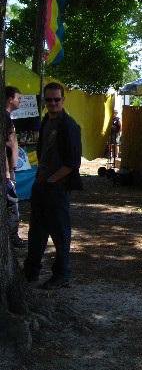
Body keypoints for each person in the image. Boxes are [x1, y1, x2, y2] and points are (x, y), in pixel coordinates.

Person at [23, 82, 82, 289]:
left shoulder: (70, 126)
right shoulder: (46, 120)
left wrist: (52, 180)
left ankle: (61, 275)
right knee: (36, 231)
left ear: (63, 100)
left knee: (60, 232)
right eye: (49, 100)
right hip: (41, 184)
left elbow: (73, 163)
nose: (53, 103)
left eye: (57, 99)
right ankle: (30, 272)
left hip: (56, 187)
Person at [5, 86, 27, 248]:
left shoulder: (8, 118)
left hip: (10, 170)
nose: (20, 100)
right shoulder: (5, 118)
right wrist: (7, 172)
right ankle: (13, 236)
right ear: (10, 99)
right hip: (6, 172)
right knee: (12, 203)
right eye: (18, 98)